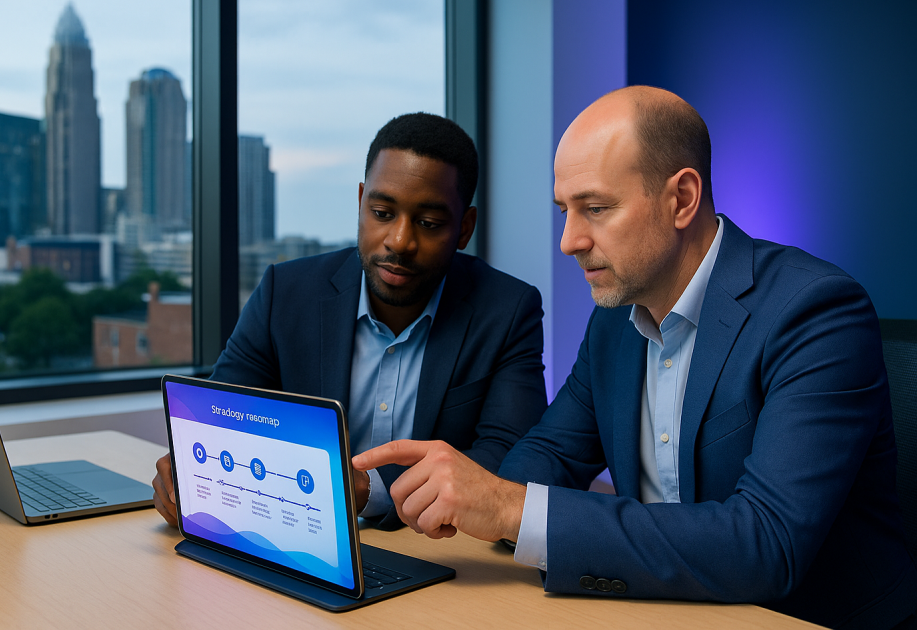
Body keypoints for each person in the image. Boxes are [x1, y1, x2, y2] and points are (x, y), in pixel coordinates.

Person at [354, 87, 917, 628]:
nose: (569, 241)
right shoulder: (614, 321)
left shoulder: (816, 311)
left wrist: (509, 508)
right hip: (660, 610)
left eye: (595, 208)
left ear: (682, 199)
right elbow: (548, 455)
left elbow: (766, 544)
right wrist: (456, 491)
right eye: (565, 212)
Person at [153, 112, 548, 529]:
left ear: (464, 228)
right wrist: (187, 468)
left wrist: (369, 488)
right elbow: (220, 419)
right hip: (295, 538)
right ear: (361, 200)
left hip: (439, 551)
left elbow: (509, 454)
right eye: (381, 212)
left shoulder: (508, 310)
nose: (399, 241)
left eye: (429, 224)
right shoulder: (283, 293)